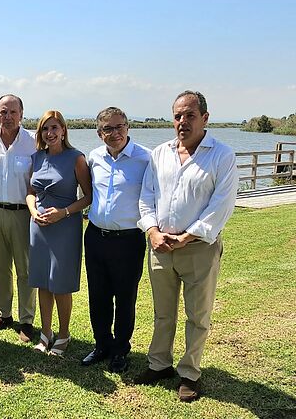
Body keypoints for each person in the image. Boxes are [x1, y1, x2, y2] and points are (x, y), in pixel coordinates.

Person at [135, 91, 238, 402]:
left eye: (190, 115)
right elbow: (146, 197)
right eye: (178, 115)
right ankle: (159, 364)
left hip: (198, 248)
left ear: (205, 118)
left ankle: (190, 373)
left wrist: (186, 237)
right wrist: (152, 231)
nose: (182, 121)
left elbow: (221, 205)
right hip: (160, 246)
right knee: (163, 313)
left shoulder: (221, 155)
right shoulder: (160, 154)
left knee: (198, 315)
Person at [82, 107, 151, 372]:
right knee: (98, 296)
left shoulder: (146, 159)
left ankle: (121, 349)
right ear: (99, 133)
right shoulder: (94, 158)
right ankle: (102, 345)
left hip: (129, 240)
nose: (115, 133)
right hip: (96, 237)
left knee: (125, 298)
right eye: (108, 129)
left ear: (128, 127)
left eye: (119, 126)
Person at [27, 110, 92, 355]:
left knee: (60, 283)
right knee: (43, 281)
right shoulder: (36, 158)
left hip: (65, 226)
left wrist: (63, 213)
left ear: (63, 130)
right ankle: (45, 333)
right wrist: (33, 212)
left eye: (54, 128)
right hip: (39, 226)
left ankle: (64, 334)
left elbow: (88, 196)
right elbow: (30, 192)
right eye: (45, 129)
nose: (50, 133)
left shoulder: (76, 158)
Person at [0, 94, 37, 342]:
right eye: (3, 112)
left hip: (23, 214)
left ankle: (26, 320)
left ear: (22, 115)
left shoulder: (34, 143)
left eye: (13, 112)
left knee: (25, 269)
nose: (8, 117)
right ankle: (4, 314)